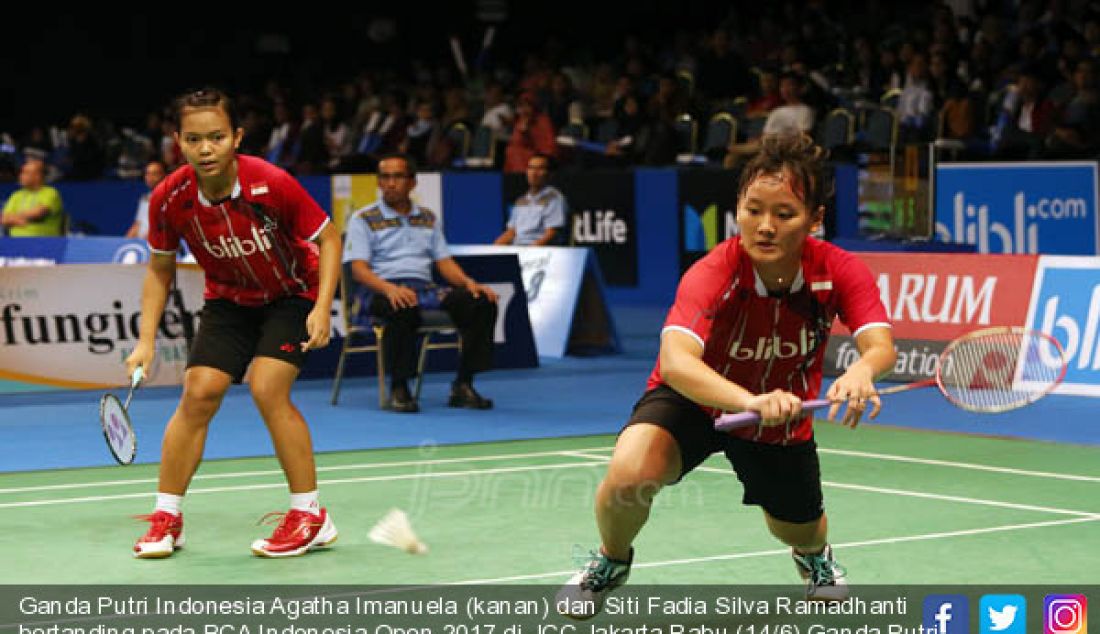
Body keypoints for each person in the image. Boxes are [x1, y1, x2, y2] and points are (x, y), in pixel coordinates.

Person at [558, 134, 896, 618]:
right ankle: (612, 561)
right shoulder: (715, 270)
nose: (765, 227)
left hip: (782, 416)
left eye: (785, 214)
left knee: (796, 528)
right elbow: (676, 362)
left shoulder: (839, 271)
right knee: (629, 473)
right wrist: (748, 401)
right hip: (694, 399)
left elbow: (880, 346)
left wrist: (862, 372)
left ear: (816, 220)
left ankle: (814, 557)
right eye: (753, 210)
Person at [125, 88, 342, 559]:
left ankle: (310, 515)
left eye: (217, 137)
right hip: (229, 300)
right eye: (195, 139)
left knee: (267, 387)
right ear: (178, 141)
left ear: (236, 137)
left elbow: (329, 238)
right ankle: (168, 517)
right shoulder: (169, 198)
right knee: (199, 391)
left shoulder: (271, 182)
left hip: (290, 294)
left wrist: (322, 306)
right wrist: (144, 343)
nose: (206, 149)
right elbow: (160, 269)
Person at [343, 153, 498, 413]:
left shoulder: (427, 217)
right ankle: (400, 386)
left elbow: (444, 263)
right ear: (379, 183)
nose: (391, 183)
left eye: (398, 177)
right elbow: (359, 270)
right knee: (402, 304)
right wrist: (390, 289)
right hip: (381, 289)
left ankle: (463, 384)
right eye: (385, 177)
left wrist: (470, 283)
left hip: (425, 289)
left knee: (480, 302)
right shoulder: (363, 218)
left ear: (412, 183)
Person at [493, 153, 567, 246]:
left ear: (550, 174)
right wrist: (494, 248)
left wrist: (530, 251)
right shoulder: (521, 201)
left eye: (540, 168)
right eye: (531, 168)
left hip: (539, 252)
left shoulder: (555, 198)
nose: (533, 173)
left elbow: (552, 233)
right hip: (518, 249)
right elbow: (512, 232)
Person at [1, 158, 65, 237]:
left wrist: (14, 218)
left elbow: (38, 213)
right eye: (21, 172)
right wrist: (20, 219)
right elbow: (3, 219)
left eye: (26, 173)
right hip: (16, 244)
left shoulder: (50, 193)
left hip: (44, 243)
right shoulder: (16, 195)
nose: (21, 176)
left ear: (37, 176)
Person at [125, 160, 168, 239]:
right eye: (147, 174)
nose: (150, 177)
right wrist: (124, 242)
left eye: (154, 174)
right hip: (141, 245)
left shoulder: (170, 198)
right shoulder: (144, 199)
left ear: (164, 176)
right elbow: (138, 224)